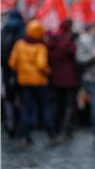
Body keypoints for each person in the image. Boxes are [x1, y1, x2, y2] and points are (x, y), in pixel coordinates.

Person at [8, 19, 55, 145]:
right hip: (40, 82)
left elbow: (12, 63)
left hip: (24, 81)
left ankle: (25, 137)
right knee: (45, 107)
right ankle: (50, 135)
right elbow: (41, 65)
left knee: (27, 108)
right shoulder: (40, 47)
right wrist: (49, 72)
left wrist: (22, 70)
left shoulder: (19, 44)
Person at [48, 19, 80, 139]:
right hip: (69, 79)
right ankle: (66, 130)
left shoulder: (52, 42)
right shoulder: (67, 43)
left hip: (55, 79)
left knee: (58, 105)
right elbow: (74, 54)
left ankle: (56, 129)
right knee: (68, 106)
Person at [1, 9, 25, 137]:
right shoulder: (22, 31)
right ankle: (21, 125)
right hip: (21, 71)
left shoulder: (3, 31)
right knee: (21, 99)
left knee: (9, 99)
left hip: (6, 71)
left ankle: (10, 124)